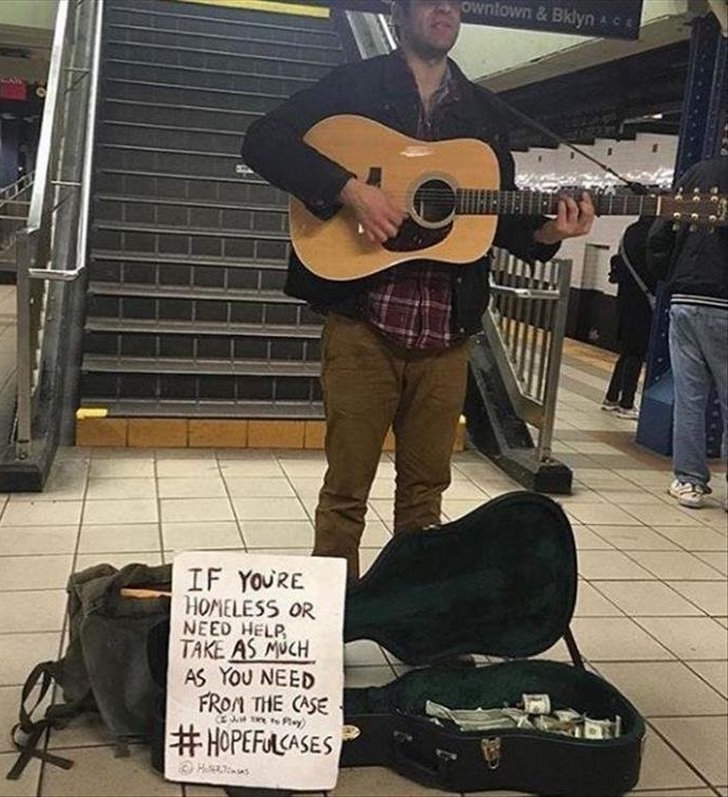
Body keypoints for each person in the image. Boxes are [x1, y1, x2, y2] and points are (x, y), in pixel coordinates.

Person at [242, 0, 595, 580]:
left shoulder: (483, 112)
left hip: (448, 335)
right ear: (401, 11)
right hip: (363, 325)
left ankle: (416, 617)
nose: (447, 9)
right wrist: (349, 188)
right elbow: (262, 140)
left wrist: (550, 231)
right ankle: (334, 625)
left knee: (425, 499)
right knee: (346, 492)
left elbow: (496, 218)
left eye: (457, 2)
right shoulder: (355, 85)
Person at [647, 154, 728, 509]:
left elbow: (660, 231)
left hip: (685, 298)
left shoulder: (696, 173)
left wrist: (668, 274)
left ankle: (689, 482)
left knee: (690, 398)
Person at [601, 217, 658, 419]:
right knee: (637, 353)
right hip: (643, 302)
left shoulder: (630, 231)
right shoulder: (653, 233)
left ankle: (611, 397)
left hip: (624, 299)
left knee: (627, 351)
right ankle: (626, 404)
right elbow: (655, 268)